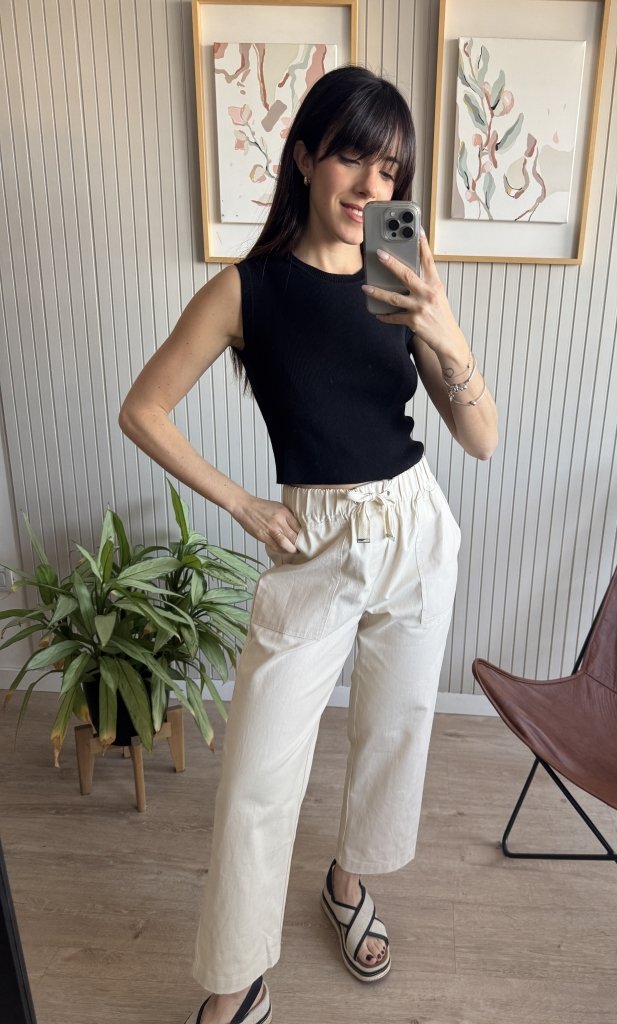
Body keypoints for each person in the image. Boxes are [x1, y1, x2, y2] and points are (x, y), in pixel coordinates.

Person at [119, 64, 498, 1024]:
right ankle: (235, 980)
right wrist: (245, 505)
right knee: (256, 775)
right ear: (302, 158)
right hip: (313, 539)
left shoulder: (397, 269)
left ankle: (347, 879)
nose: (373, 188)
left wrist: (442, 327)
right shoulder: (246, 291)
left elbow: (481, 437)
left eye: (392, 172)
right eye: (353, 160)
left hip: (413, 526)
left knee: (394, 732)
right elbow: (143, 410)